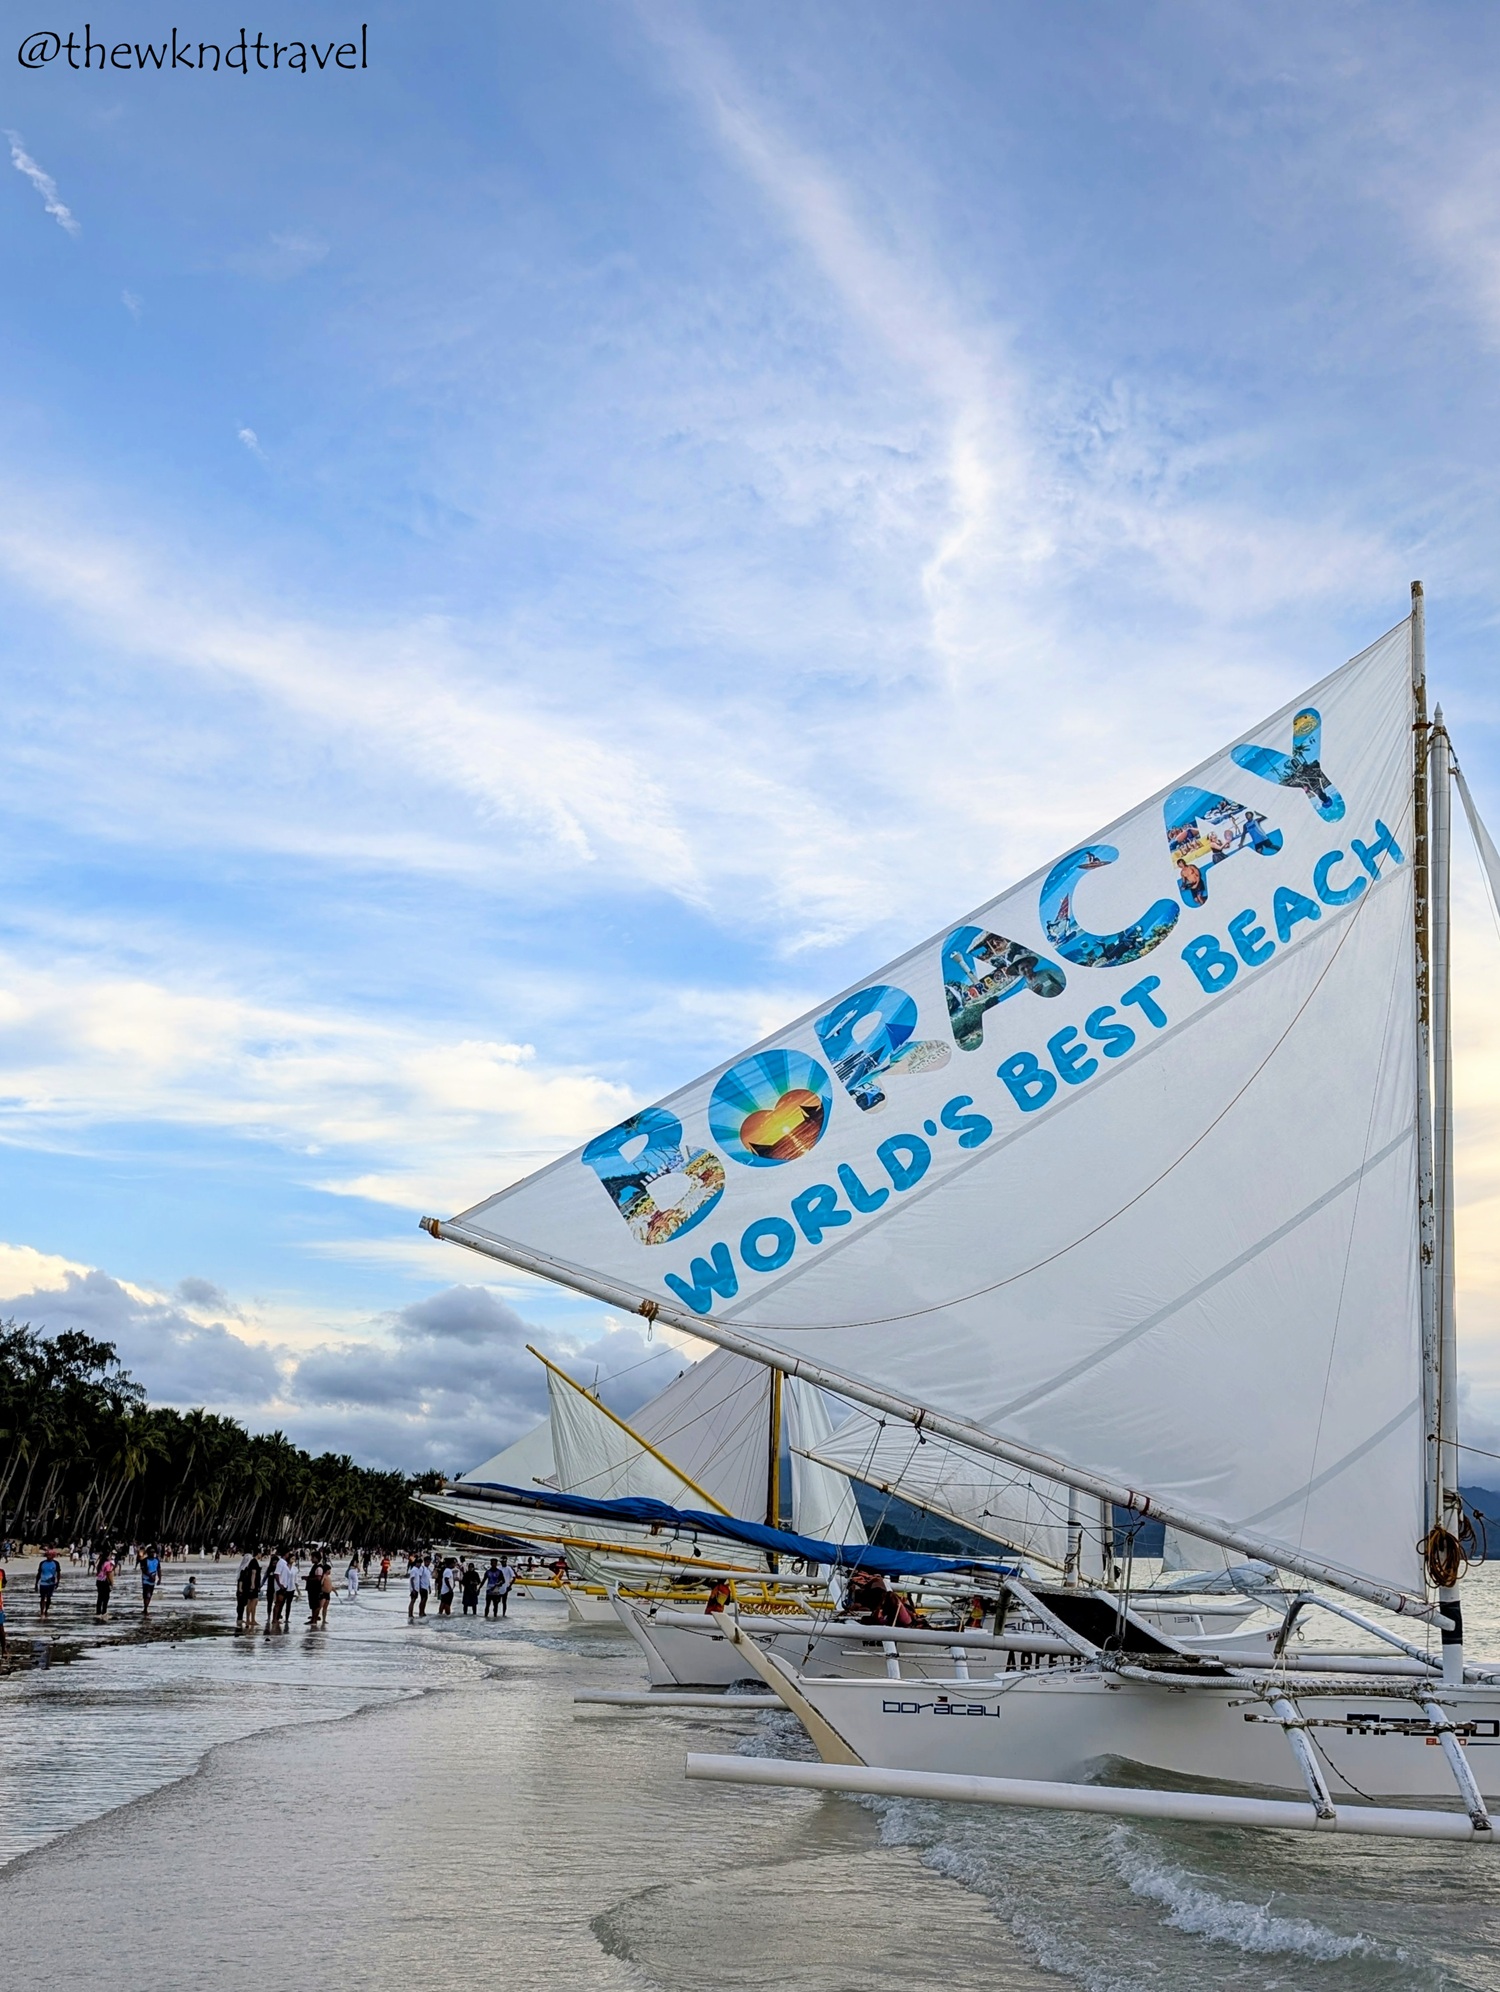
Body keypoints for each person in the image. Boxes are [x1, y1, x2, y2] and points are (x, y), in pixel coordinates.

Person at [236, 1553, 261, 1632]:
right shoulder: (247, 1568)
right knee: (249, 1603)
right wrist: (252, 1585)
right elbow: (241, 1579)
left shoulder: (243, 1568)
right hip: (247, 1588)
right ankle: (248, 1619)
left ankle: (243, 1619)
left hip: (245, 1588)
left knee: (243, 1604)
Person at [35, 1547, 61, 1619]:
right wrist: (36, 1583)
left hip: (51, 1583)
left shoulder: (56, 1563)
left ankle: (46, 1610)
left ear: (53, 1556)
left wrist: (57, 1582)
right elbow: (39, 1573)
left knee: (49, 1597)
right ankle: (42, 1611)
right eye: (47, 1555)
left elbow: (58, 1573)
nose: (48, 1556)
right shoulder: (42, 1563)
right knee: (42, 1597)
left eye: (49, 1555)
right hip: (42, 1583)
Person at [139, 1544, 162, 1616]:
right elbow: (144, 1570)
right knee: (146, 1595)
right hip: (145, 1580)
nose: (152, 1553)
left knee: (149, 1595)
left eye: (153, 1552)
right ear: (148, 1553)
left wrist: (159, 1579)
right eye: (151, 1552)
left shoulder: (156, 1560)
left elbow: (159, 1570)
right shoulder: (144, 1560)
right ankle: (145, 1609)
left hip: (152, 1581)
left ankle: (145, 1608)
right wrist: (150, 1576)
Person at [95, 1548, 116, 1619]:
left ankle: (98, 1612)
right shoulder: (108, 1563)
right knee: (106, 1597)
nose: (111, 1557)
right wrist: (112, 1583)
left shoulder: (100, 1563)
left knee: (100, 1597)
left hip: (99, 1581)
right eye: (110, 1555)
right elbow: (109, 1573)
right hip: (105, 1581)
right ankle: (104, 1612)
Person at [408, 1556, 431, 1620]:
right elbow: (412, 1580)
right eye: (418, 1563)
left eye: (420, 1563)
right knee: (413, 1601)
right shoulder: (415, 1569)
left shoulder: (418, 1569)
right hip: (416, 1588)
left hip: (418, 1588)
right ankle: (411, 1614)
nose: (419, 1564)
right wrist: (413, 1589)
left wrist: (429, 1587)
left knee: (416, 1600)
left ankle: (416, 1613)